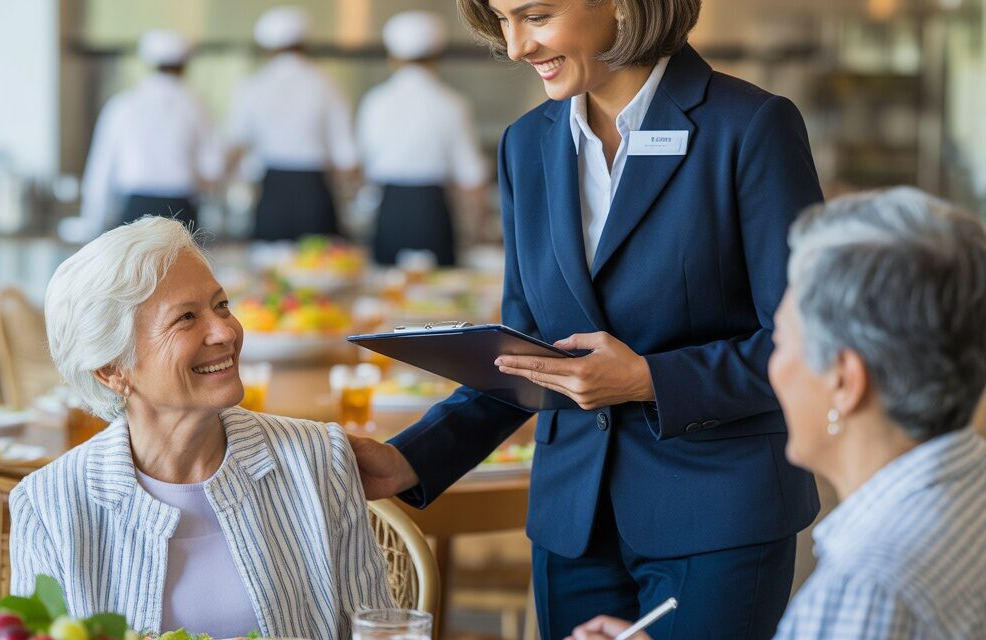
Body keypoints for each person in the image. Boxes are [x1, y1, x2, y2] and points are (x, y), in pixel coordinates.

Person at [349, 1, 824, 638]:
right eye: (502, 20)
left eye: (535, 16)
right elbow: (526, 351)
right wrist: (410, 459)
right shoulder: (527, 144)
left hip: (716, 517)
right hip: (572, 525)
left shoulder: (750, 127)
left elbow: (812, 346)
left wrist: (649, 379)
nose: (515, 46)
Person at [566, 188, 986, 639]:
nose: (773, 368)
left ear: (844, 381)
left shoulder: (866, 590)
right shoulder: (969, 493)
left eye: (781, 342)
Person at [12, 217, 393, 639]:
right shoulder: (48, 505)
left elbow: (378, 629)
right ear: (111, 369)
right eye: (187, 318)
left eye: (222, 305)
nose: (224, 331)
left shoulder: (319, 459)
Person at [357, 10, 489, 267]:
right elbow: (471, 178)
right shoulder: (451, 103)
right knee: (436, 296)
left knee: (386, 289)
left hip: (388, 210)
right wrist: (479, 229)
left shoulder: (374, 102)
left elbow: (360, 166)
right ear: (436, 56)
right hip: (433, 212)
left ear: (392, 57)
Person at [226, 6, 358, 241]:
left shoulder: (254, 86)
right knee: (320, 265)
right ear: (306, 44)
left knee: (269, 269)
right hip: (315, 190)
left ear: (267, 49)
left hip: (272, 192)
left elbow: (237, 145)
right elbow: (346, 156)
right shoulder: (327, 85)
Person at [74, 30, 222, 239]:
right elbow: (213, 169)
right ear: (185, 65)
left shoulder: (123, 105)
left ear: (149, 64)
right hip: (182, 212)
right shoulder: (198, 108)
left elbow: (101, 172)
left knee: (135, 272)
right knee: (182, 271)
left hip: (135, 210)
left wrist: (93, 223)